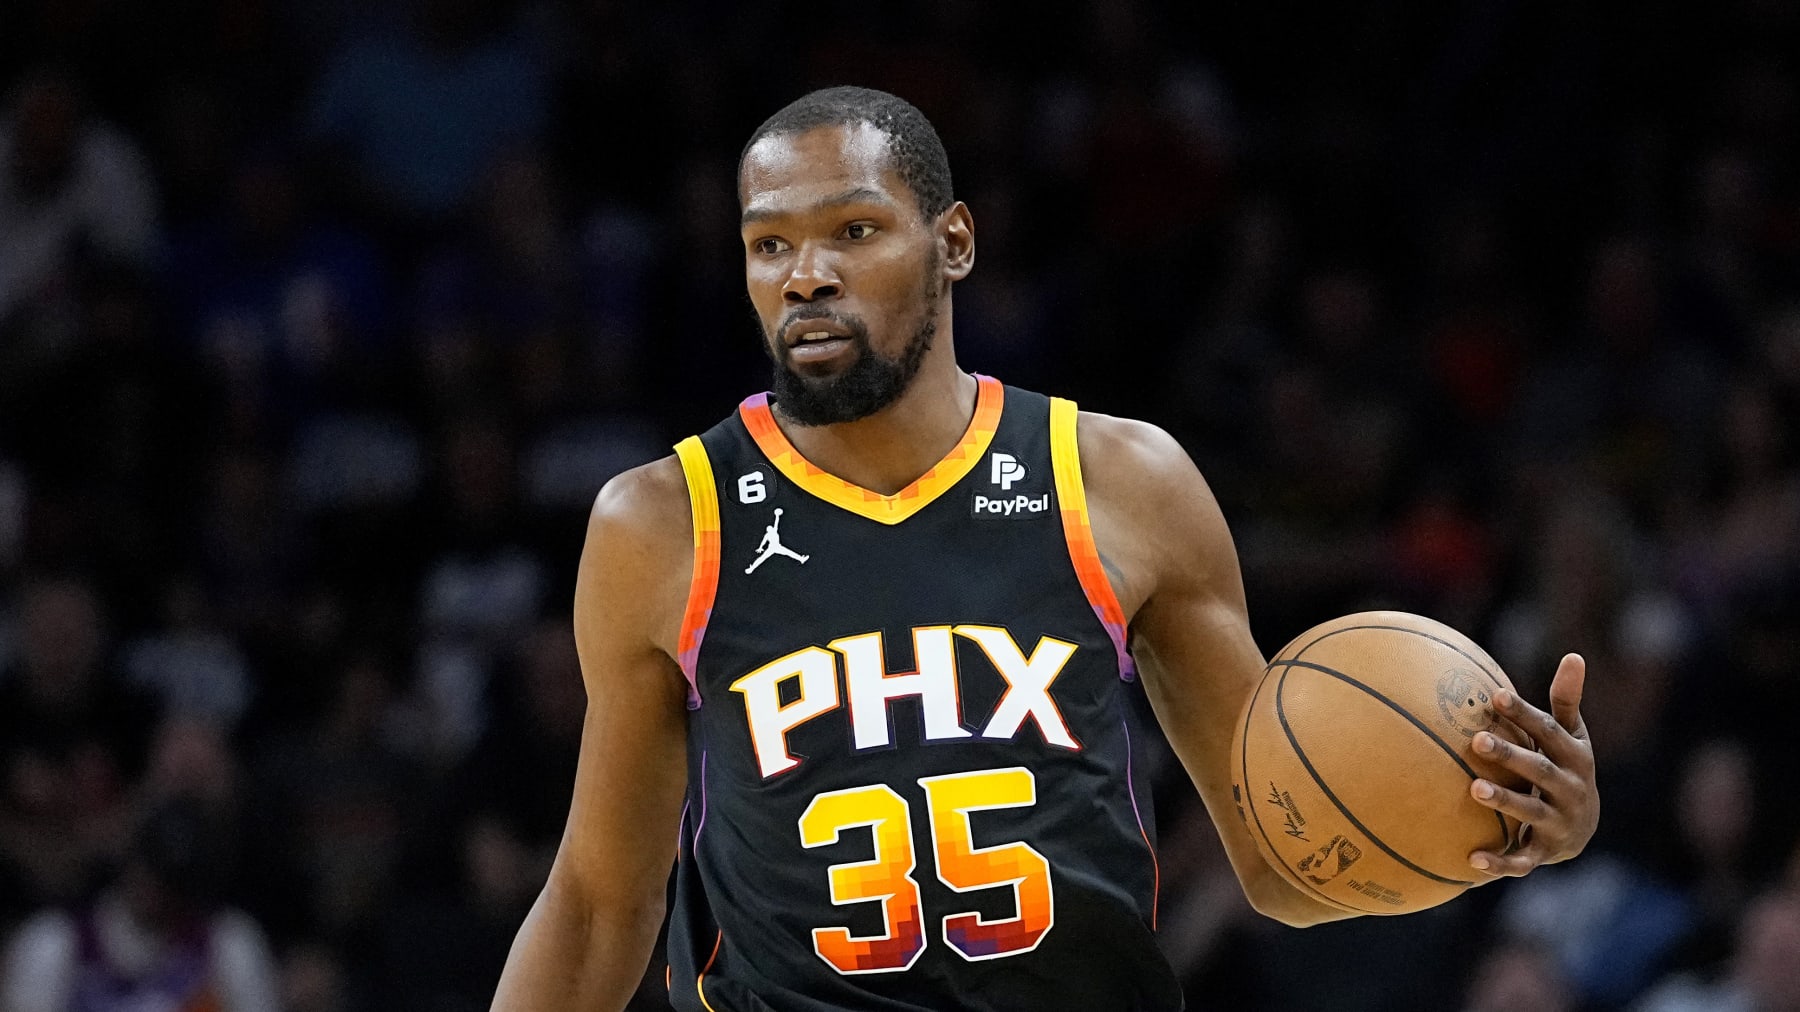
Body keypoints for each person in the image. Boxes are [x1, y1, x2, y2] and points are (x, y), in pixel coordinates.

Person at [492, 86, 1600, 1011]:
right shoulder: (663, 522)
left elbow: (1281, 859)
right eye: (768, 244)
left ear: (954, 242)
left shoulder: (1121, 482)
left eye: (854, 231)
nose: (806, 275)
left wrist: (1493, 832)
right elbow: (598, 905)